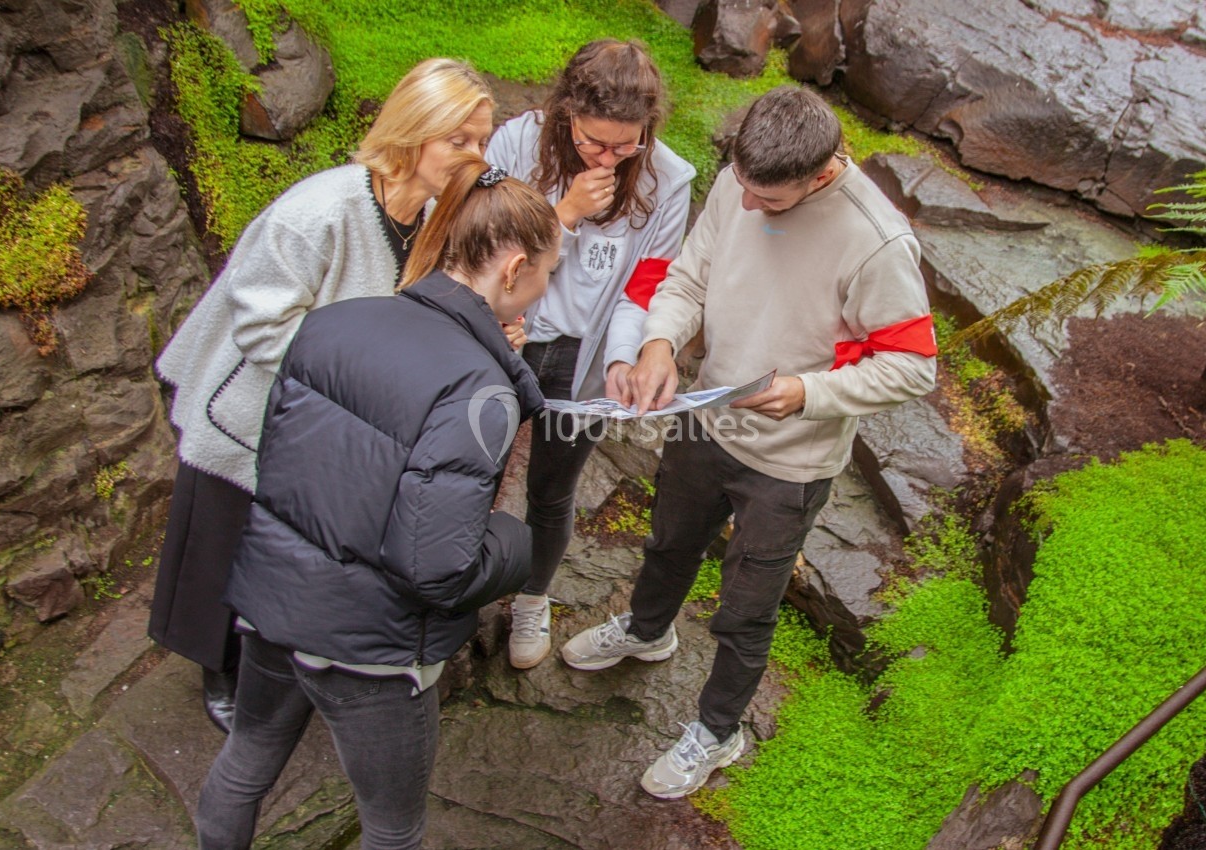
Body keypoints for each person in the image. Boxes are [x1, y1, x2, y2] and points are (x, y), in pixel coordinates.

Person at [560, 86, 939, 798]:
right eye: (742, 185)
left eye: (769, 199)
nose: (749, 205)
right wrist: (662, 343)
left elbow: (915, 364)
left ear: (823, 174)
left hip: (790, 462)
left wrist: (809, 393)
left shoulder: (877, 241)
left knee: (746, 607)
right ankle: (647, 631)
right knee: (668, 544)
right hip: (704, 419)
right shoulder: (743, 181)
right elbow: (690, 276)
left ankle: (718, 728)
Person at [194, 153, 559, 850]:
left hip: (274, 606)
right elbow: (437, 566)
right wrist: (516, 548)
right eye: (547, 272)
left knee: (242, 767)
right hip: (372, 653)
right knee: (393, 829)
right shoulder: (480, 391)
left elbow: (284, 465)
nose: (545, 289)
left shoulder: (334, 321)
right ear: (512, 269)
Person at [148, 59, 499, 732]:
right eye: (460, 139)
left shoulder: (426, 217)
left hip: (320, 418)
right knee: (223, 539)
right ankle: (215, 665)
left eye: (481, 141)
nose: (475, 156)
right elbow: (262, 330)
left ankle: (270, 652)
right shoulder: (317, 213)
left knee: (281, 545)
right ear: (413, 133)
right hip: (248, 406)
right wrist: (370, 381)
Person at [485, 39, 696, 669]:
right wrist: (566, 212)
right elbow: (487, 248)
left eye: (625, 144)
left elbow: (644, 286)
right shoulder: (515, 146)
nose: (610, 156)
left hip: (588, 351)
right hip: (508, 335)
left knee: (552, 489)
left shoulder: (668, 177)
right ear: (565, 113)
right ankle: (452, 587)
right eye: (593, 142)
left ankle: (531, 596)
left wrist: (622, 359)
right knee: (473, 471)